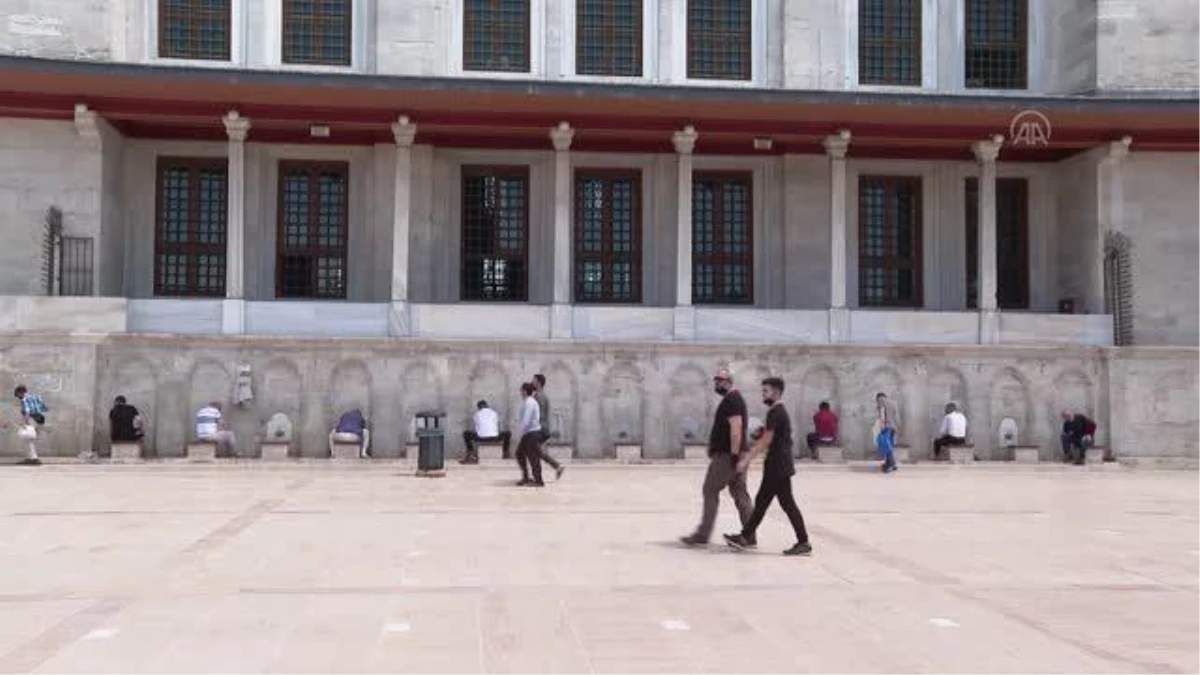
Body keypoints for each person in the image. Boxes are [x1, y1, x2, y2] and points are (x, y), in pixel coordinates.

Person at [724, 377, 813, 556]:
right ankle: (747, 536)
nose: (763, 394)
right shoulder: (777, 412)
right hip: (779, 464)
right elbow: (769, 436)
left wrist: (746, 459)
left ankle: (748, 537)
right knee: (772, 503)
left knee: (776, 503)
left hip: (777, 466)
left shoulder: (776, 412)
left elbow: (767, 439)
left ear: (777, 392)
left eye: (766, 391)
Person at [680, 367, 753, 547]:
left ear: (729, 382)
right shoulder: (734, 400)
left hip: (728, 455)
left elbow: (736, 429)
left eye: (719, 381)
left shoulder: (732, 400)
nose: (716, 384)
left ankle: (703, 534)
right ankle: (750, 536)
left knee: (710, 490)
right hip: (736, 453)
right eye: (716, 380)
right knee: (740, 493)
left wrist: (734, 457)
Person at [531, 373, 565, 480]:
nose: (532, 382)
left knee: (535, 451)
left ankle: (556, 466)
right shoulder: (542, 395)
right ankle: (555, 467)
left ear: (539, 383)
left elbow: (539, 414)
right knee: (536, 452)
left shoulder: (538, 396)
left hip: (539, 428)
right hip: (542, 427)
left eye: (534, 380)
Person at [514, 382, 546, 487]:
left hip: (531, 433)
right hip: (530, 432)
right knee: (522, 454)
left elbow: (526, 420)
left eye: (521, 390)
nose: (520, 392)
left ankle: (538, 481)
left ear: (524, 391)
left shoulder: (529, 402)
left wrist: (521, 432)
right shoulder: (529, 401)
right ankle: (528, 477)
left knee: (532, 457)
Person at [13, 385, 47, 466]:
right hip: (40, 420)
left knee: (27, 439)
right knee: (31, 440)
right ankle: (31, 458)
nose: (18, 397)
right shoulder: (36, 397)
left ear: (21, 392)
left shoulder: (24, 399)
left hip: (31, 419)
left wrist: (25, 422)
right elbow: (45, 408)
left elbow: (27, 411)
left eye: (18, 395)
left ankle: (34, 459)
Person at [875, 392, 899, 473]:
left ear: (878, 398)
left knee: (886, 447)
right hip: (893, 427)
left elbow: (882, 416)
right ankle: (888, 463)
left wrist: (882, 427)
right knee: (889, 446)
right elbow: (896, 416)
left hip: (886, 427)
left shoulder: (881, 403)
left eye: (877, 399)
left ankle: (892, 464)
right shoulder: (892, 404)